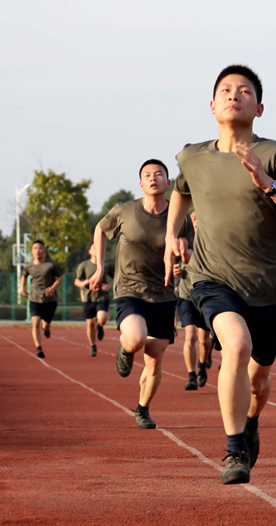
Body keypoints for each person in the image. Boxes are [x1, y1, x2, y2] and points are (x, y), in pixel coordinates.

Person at [163, 64, 276, 484]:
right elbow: (180, 192)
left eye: (245, 91)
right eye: (226, 90)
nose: (235, 95)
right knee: (236, 345)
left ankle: (250, 420)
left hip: (269, 287)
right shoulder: (192, 156)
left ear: (259, 108)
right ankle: (234, 451)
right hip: (212, 278)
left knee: (259, 378)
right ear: (212, 105)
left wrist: (268, 183)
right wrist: (171, 236)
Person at [90, 159, 190, 429]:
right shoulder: (125, 211)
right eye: (147, 175)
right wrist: (100, 267)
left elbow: (191, 254)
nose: (153, 178)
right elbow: (100, 229)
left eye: (158, 174)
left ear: (169, 182)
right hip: (129, 289)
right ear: (141, 184)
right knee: (135, 339)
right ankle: (125, 350)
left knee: (154, 361)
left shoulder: (179, 217)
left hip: (164, 294)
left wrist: (183, 259)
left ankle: (143, 409)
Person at [173, 215, 212, 390]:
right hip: (186, 295)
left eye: (198, 216)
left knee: (204, 340)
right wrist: (175, 269)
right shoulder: (182, 239)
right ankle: (191, 376)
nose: (195, 219)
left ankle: (202, 365)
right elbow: (174, 262)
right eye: (193, 217)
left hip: (204, 295)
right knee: (191, 336)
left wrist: (189, 255)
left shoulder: (210, 238)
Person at [18, 240, 62, 358]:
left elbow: (60, 277)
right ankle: (39, 348)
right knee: (36, 322)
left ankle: (46, 329)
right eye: (35, 248)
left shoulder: (51, 265)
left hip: (49, 299)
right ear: (32, 251)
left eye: (40, 248)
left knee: (45, 325)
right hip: (34, 298)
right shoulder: (28, 266)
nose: (37, 251)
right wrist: (22, 288)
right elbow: (24, 276)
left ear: (44, 250)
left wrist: (52, 288)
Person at [74, 247, 113, 357]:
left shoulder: (107, 265)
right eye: (94, 248)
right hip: (88, 298)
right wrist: (83, 283)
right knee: (90, 324)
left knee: (102, 317)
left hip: (102, 296)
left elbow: (117, 277)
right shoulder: (84, 265)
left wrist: (109, 286)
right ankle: (93, 346)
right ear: (89, 251)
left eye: (98, 247)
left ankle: (100, 326)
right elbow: (76, 281)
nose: (96, 249)